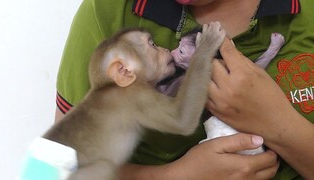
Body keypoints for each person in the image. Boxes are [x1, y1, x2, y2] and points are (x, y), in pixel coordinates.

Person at [54, 0, 314, 179]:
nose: (169, 52)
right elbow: (55, 169)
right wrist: (173, 176)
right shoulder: (108, 11)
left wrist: (278, 123)